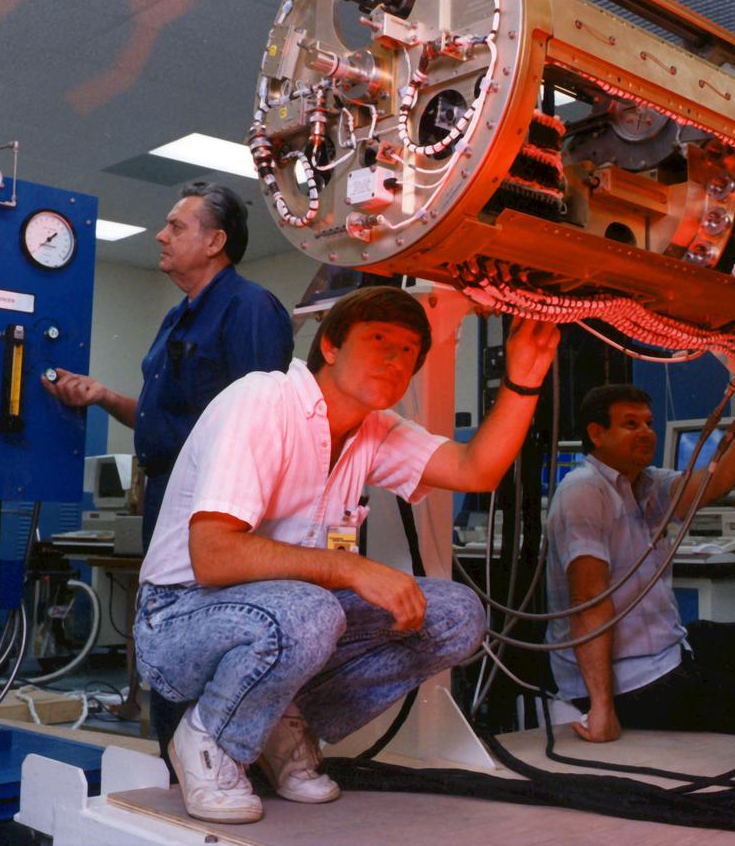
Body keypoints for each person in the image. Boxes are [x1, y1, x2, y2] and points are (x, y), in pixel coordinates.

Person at [134, 287, 560, 823]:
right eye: (379, 339)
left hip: (285, 618)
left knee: (453, 616)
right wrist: (351, 567)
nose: (394, 357)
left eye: (408, 351)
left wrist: (525, 375)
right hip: (178, 617)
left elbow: (475, 470)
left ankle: (280, 722)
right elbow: (214, 556)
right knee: (313, 608)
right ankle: (208, 740)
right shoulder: (264, 401)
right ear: (331, 347)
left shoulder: (373, 430)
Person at [41, 181, 294, 752]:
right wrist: (105, 396)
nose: (160, 234)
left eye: (177, 226)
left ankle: (219, 763)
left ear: (215, 241)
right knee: (171, 639)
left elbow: (261, 423)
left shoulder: (249, 308)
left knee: (210, 637)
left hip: (216, 509)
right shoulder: (175, 320)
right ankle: (176, 764)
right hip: (165, 497)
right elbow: (165, 422)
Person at [544, 382, 735, 743]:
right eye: (631, 424)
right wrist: (602, 707)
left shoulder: (647, 485)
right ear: (596, 434)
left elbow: (714, 484)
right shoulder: (584, 491)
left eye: (648, 423)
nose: (646, 432)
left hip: (663, 653)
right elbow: (588, 602)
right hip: (630, 680)